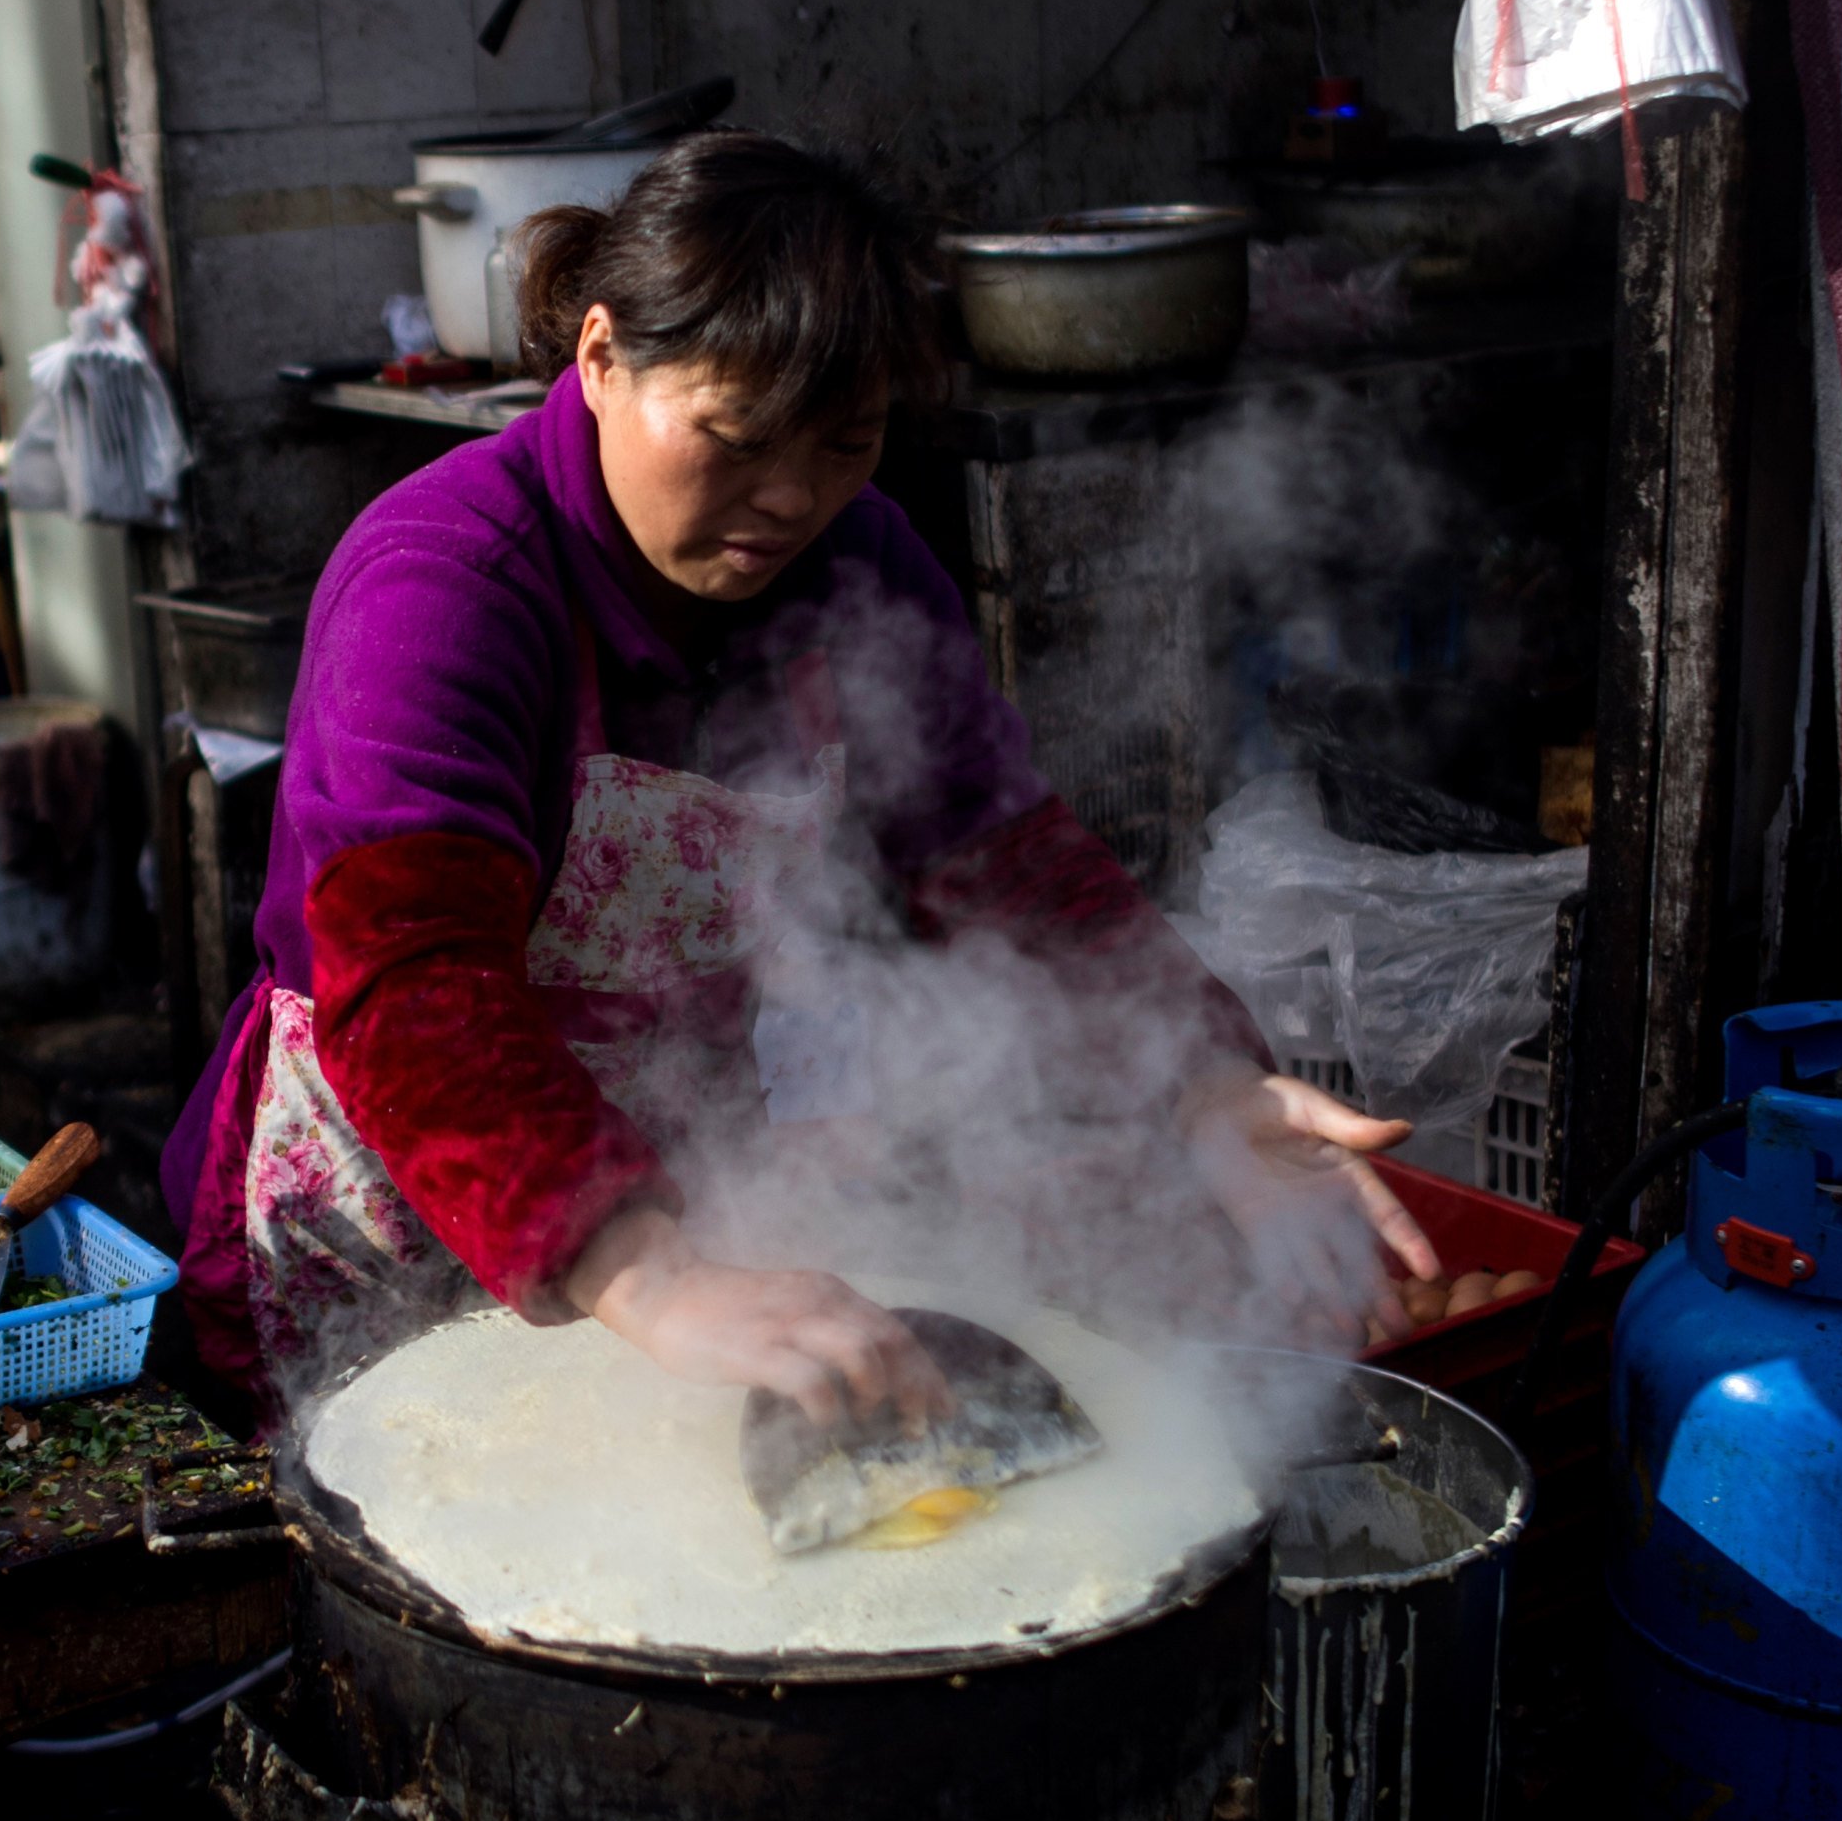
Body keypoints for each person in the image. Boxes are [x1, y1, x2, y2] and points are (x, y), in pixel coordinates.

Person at [159, 130, 1436, 1424]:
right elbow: (415, 981)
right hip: (395, 1201)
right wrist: (642, 1270)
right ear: (599, 356)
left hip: (689, 1186)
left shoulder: (859, 568)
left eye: (843, 444)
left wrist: (1205, 1077)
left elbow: (1000, 861)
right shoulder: (447, 583)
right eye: (732, 433)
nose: (787, 499)